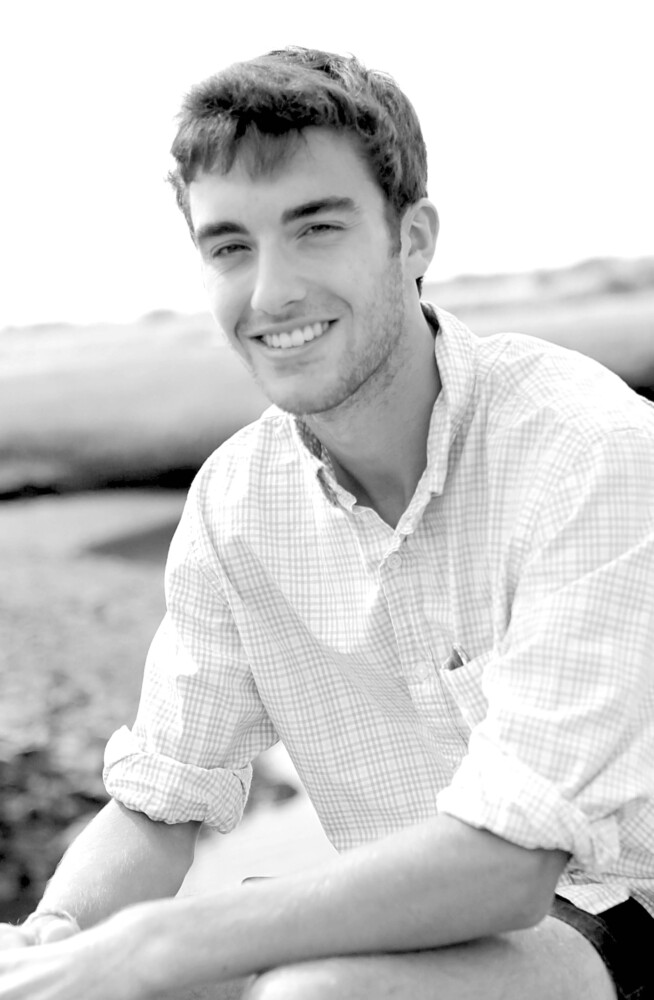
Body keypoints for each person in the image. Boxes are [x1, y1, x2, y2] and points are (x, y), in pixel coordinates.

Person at [1, 46, 653, 1000]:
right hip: (418, 915)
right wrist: (50, 942)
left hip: (620, 908)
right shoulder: (235, 505)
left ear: (413, 238)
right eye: (230, 246)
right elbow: (161, 799)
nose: (272, 293)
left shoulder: (587, 449)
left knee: (307, 992)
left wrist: (157, 943)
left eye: (316, 228)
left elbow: (514, 864)